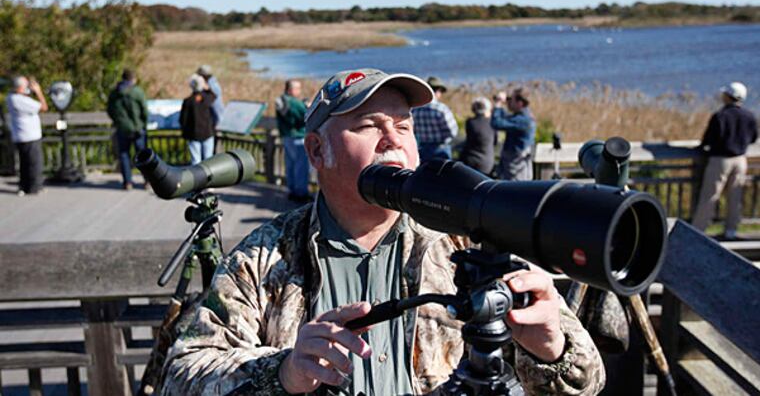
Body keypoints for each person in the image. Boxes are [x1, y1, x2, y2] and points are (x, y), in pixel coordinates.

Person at [160, 68, 605, 396]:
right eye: (370, 126)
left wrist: (551, 346)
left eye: (404, 126)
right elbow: (181, 376)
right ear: (317, 151)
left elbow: (587, 383)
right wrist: (284, 372)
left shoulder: (468, 239)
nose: (393, 139)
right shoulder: (263, 258)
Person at [692, 82, 758, 240]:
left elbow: (709, 139)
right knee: (735, 196)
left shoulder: (720, 116)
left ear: (728, 96)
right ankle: (731, 230)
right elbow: (754, 137)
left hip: (720, 159)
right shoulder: (749, 116)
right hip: (741, 160)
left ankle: (699, 230)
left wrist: (703, 148)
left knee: (710, 195)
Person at [5, 76, 48, 196]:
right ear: (20, 88)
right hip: (30, 135)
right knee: (34, 163)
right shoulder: (20, 100)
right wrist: (38, 91)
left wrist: (28, 91)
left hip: (19, 135)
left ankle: (23, 186)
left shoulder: (10, 98)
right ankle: (34, 187)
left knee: (24, 164)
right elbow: (44, 107)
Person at [107, 69, 148, 190]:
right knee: (143, 156)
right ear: (133, 79)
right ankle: (147, 181)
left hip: (122, 129)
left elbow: (110, 110)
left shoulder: (114, 93)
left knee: (124, 155)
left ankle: (127, 182)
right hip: (138, 128)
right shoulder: (137, 92)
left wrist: (118, 121)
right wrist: (143, 124)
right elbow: (144, 110)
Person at [276, 79, 311, 203]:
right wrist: (307, 106)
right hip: (298, 137)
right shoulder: (294, 102)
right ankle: (301, 193)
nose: (299, 91)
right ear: (291, 89)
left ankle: (292, 190)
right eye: (298, 88)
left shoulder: (282, 100)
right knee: (301, 167)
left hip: (287, 137)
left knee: (290, 165)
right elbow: (306, 116)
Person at [492, 88, 537, 181]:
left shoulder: (522, 120)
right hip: (518, 164)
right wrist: (502, 105)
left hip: (516, 167)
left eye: (511, 100)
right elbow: (506, 119)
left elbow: (496, 123)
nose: (509, 102)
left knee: (514, 192)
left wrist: (498, 105)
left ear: (520, 103)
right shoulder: (525, 116)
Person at [412, 76, 458, 162]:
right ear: (437, 91)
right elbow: (453, 132)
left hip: (423, 148)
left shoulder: (415, 109)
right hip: (441, 148)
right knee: (443, 174)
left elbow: (413, 130)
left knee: (425, 173)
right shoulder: (441, 109)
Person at [180, 74, 217, 165]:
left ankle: (197, 178)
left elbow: (183, 120)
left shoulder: (188, 101)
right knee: (209, 160)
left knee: (196, 161)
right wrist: (208, 88)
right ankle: (209, 178)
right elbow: (214, 96)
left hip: (193, 134)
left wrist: (185, 132)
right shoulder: (206, 99)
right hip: (207, 132)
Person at [459, 96, 496, 175]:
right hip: (487, 164)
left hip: (470, 162)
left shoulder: (470, 122)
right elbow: (495, 142)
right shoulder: (493, 123)